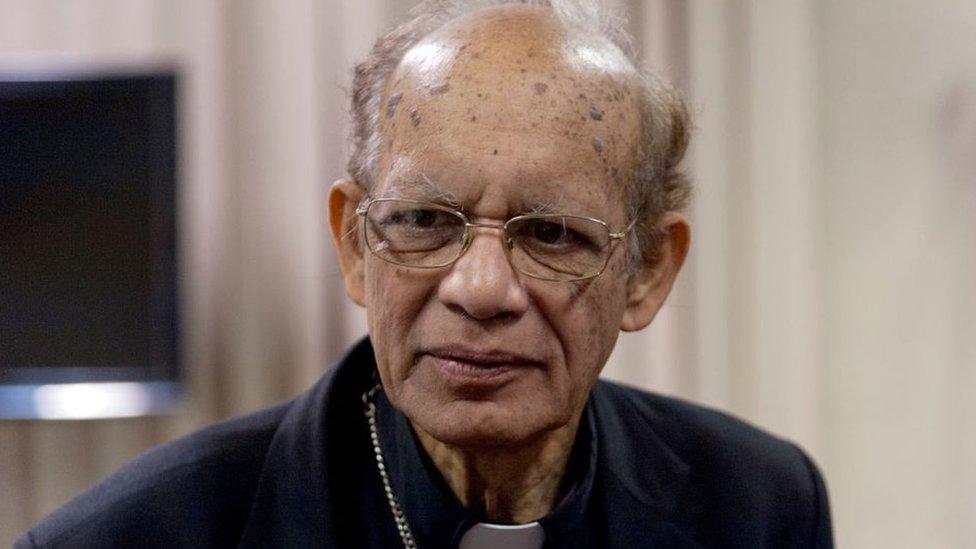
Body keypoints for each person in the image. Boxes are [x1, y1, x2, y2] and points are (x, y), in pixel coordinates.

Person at [17, 1, 833, 547]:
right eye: (424, 222)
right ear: (354, 246)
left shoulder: (759, 506)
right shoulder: (134, 534)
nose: (480, 289)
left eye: (549, 233)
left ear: (648, 270)